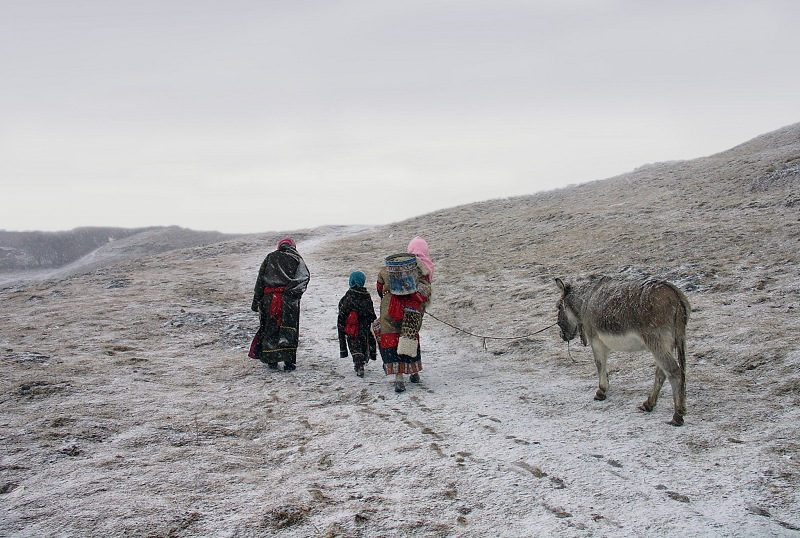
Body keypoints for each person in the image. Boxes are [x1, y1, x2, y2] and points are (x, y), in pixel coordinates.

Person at [375, 236, 434, 392]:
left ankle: (398, 378)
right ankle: (414, 372)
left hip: (390, 308)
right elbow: (426, 291)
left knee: (391, 339)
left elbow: (379, 288)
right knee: (409, 337)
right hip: (411, 310)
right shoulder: (423, 268)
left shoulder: (387, 268)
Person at [250, 237, 310, 371]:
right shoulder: (297, 259)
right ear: (292, 246)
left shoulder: (270, 257)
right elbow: (304, 278)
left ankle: (272, 359)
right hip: (289, 301)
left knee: (270, 328)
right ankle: (289, 361)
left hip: (269, 299)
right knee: (289, 329)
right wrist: (292, 293)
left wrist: (256, 302)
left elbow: (260, 281)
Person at [337, 271, 377, 378]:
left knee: (354, 345)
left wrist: (343, 323)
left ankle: (358, 364)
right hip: (364, 327)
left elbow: (343, 309)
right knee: (363, 344)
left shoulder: (349, 295)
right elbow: (371, 312)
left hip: (352, 327)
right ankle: (362, 361)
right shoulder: (366, 295)